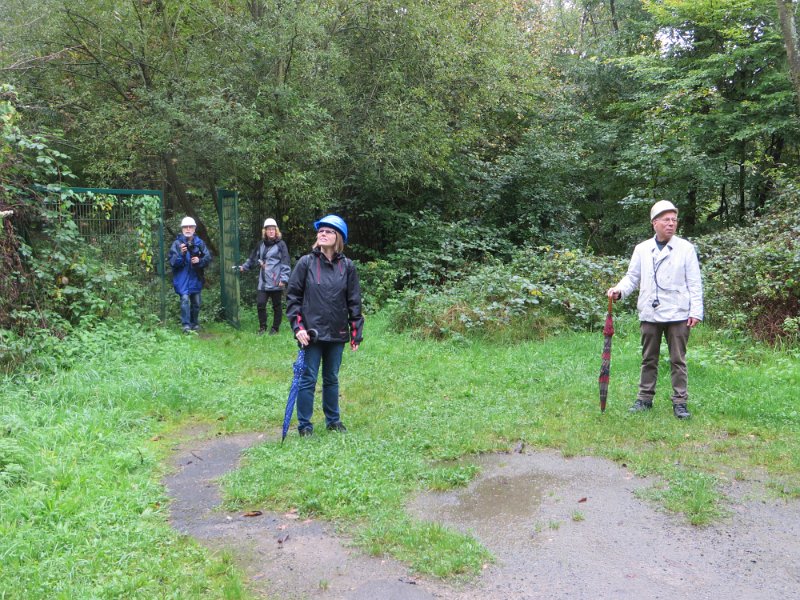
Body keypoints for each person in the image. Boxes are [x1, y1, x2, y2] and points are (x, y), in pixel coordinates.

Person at [606, 200, 703, 419]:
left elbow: (695, 283)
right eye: (666, 220)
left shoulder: (685, 248)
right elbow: (632, 277)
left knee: (678, 359)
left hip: (678, 312)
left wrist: (695, 311)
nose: (671, 224)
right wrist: (619, 290)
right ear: (654, 223)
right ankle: (644, 399)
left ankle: (680, 403)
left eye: (674, 220)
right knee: (648, 358)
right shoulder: (642, 249)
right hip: (650, 312)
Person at [286, 214, 364, 436]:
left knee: (331, 378)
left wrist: (355, 331)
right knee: (308, 378)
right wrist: (298, 328)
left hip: (337, 332)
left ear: (338, 237)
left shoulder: (347, 267)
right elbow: (293, 298)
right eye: (320, 231)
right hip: (311, 334)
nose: (322, 234)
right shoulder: (306, 263)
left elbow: (353, 301)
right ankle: (305, 426)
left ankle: (333, 421)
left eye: (328, 231)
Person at [239, 218, 291, 335]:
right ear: (265, 231)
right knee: (260, 304)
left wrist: (284, 279)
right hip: (263, 281)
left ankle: (275, 328)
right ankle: (262, 327)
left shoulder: (281, 245)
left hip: (276, 280)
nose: (271, 231)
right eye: (269, 229)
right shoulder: (261, 244)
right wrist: (245, 266)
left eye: (273, 229)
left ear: (276, 231)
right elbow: (253, 257)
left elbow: (285, 262)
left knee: (276, 306)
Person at [169, 216, 212, 333]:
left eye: (190, 227)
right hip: (182, 279)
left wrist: (200, 261)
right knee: (184, 300)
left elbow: (208, 258)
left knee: (196, 302)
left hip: (196, 278)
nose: (188, 229)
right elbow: (173, 263)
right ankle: (186, 325)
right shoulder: (177, 244)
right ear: (182, 229)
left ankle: (195, 323)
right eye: (185, 227)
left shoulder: (200, 243)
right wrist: (181, 254)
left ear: (194, 229)